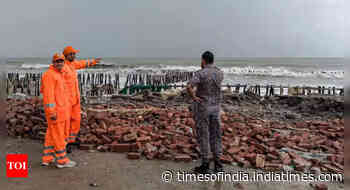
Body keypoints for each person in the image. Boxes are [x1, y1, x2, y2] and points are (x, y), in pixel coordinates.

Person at [187, 51, 224, 174]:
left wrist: (194, 98)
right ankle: (218, 165)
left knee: (204, 135)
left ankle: (205, 165)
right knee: (216, 135)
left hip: (203, 108)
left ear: (203, 60)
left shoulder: (200, 73)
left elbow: (189, 86)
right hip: (216, 108)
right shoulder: (220, 73)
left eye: (201, 60)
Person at [62, 46, 101, 152]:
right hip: (66, 100)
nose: (74, 56)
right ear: (66, 55)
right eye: (72, 54)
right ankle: (64, 143)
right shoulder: (62, 66)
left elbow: (82, 63)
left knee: (76, 120)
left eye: (74, 54)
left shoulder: (72, 64)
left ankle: (71, 140)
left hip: (75, 99)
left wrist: (93, 62)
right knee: (66, 122)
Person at [41, 53, 76, 168]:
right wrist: (52, 112)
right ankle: (62, 161)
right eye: (57, 61)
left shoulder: (59, 74)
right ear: (53, 62)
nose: (60, 63)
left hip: (61, 111)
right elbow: (48, 96)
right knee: (59, 136)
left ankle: (47, 158)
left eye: (61, 61)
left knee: (51, 134)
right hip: (56, 112)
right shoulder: (49, 75)